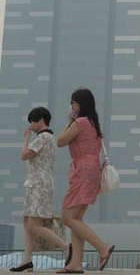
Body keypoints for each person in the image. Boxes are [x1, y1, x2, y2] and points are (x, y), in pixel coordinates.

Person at [57, 88, 115, 274]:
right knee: (76, 219)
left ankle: (102, 247)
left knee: (67, 216)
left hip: (82, 170)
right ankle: (75, 263)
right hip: (92, 170)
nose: (72, 106)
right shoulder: (93, 124)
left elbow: (60, 141)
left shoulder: (80, 122)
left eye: (73, 102)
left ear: (80, 104)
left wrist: (68, 122)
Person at [10, 107, 71, 272]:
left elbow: (24, 155)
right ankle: (27, 260)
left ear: (41, 120)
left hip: (39, 184)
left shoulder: (43, 137)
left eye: (33, 121)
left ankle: (65, 246)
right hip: (36, 183)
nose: (31, 125)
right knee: (27, 222)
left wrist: (26, 138)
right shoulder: (48, 138)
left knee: (35, 224)